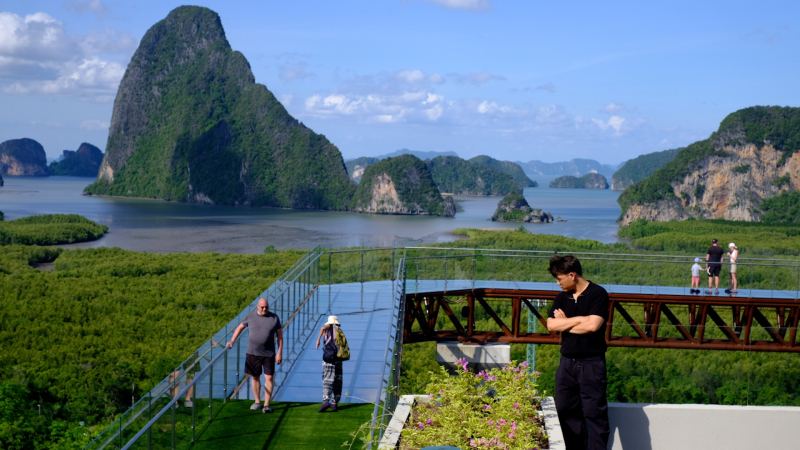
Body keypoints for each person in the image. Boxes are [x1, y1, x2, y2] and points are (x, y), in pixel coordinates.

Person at [546, 255, 610, 450]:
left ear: (572, 275)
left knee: (594, 415)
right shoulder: (562, 297)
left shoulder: (598, 294)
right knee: (565, 411)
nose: (558, 283)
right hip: (567, 364)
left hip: (592, 364)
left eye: (559, 279)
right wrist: (580, 319)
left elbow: (592, 326)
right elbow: (551, 325)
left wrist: (565, 323)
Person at [227, 298, 283, 413]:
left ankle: (267, 404)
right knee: (255, 376)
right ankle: (257, 401)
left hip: (269, 354)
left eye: (266, 307)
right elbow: (240, 327)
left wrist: (279, 352)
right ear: (257, 306)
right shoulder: (250, 316)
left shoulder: (274, 318)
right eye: (262, 307)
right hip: (253, 353)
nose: (264, 309)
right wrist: (232, 340)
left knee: (269, 377)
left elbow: (280, 336)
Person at [315, 315, 344, 412]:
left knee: (327, 378)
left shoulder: (331, 327)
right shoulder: (339, 331)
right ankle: (335, 402)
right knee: (337, 379)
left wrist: (318, 340)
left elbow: (323, 328)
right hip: (339, 358)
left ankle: (326, 401)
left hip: (329, 358)